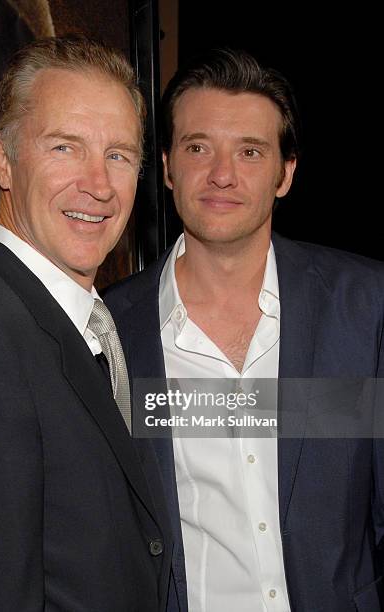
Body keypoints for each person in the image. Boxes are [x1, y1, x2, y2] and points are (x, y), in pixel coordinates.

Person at [105, 48, 384, 611]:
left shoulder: (366, 305)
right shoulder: (108, 331)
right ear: (166, 167)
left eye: (250, 152)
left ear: (286, 174)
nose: (222, 174)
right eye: (198, 147)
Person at [0, 36, 172, 611]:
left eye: (119, 155)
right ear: (2, 159)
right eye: (65, 148)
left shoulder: (75, 323)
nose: (99, 185)